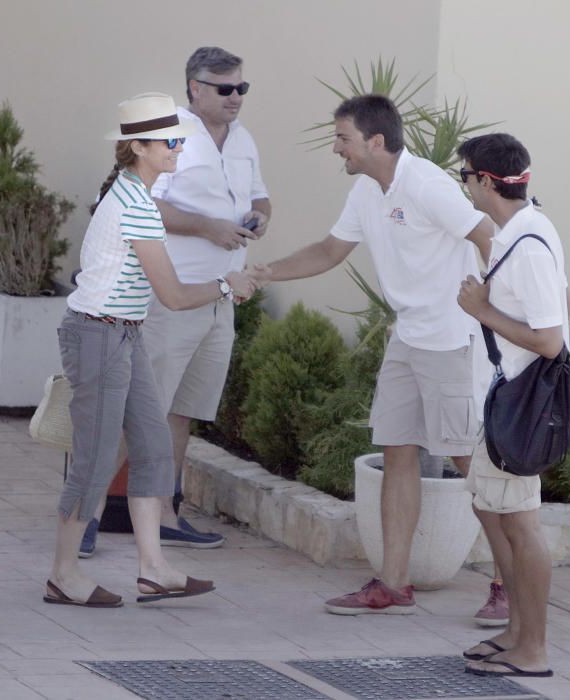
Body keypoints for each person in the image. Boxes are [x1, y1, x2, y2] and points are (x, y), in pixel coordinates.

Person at [250, 94, 494, 615]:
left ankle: (509, 586)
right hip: (407, 338)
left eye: (343, 139)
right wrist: (265, 272)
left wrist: (501, 311)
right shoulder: (366, 191)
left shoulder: (427, 184)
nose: (337, 149)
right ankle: (393, 583)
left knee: (470, 461)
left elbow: (488, 235)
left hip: (452, 339)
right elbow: (329, 251)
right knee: (397, 451)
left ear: (375, 141)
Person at [45, 93, 254, 607]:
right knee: (94, 463)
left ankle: (154, 568)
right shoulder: (136, 204)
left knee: (153, 447)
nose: (178, 148)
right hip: (100, 335)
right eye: (169, 142)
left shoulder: (132, 192)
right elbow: (176, 296)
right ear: (137, 147)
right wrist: (228, 286)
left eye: (179, 139)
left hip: (124, 331)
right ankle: (62, 575)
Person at [145, 46, 270, 548]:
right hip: (171, 294)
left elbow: (260, 195)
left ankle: (166, 515)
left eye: (241, 87)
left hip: (222, 299)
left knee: (181, 410)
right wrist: (206, 228)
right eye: (225, 89)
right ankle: (86, 516)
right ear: (195, 87)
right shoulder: (170, 132)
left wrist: (260, 216)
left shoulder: (243, 140)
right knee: (144, 407)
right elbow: (143, 205)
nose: (236, 97)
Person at [457, 133, 570, 678]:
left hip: (519, 407)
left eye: (464, 177)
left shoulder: (526, 242)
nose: (464, 187)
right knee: (492, 513)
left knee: (521, 525)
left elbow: (551, 338)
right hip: (500, 401)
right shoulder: (521, 233)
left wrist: (481, 309)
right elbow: (566, 302)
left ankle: (534, 650)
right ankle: (516, 632)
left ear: (483, 180)